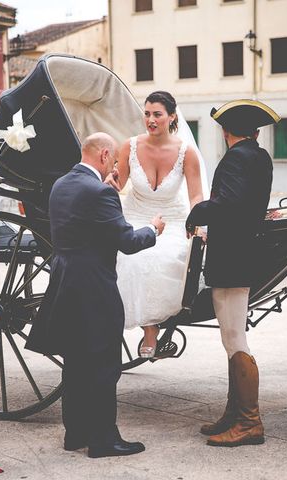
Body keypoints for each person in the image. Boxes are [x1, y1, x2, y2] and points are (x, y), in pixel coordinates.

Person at [25, 132, 165, 458]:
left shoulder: (61, 185)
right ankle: (104, 439)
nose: (114, 168)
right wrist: (153, 229)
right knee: (104, 365)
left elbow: (82, 225)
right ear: (104, 155)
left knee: (74, 363)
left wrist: (108, 193)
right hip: (94, 288)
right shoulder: (100, 192)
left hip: (64, 283)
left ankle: (75, 433)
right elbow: (127, 241)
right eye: (113, 161)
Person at [185, 100, 278, 447]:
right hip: (239, 253)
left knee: (235, 337)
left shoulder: (239, 157)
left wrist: (197, 213)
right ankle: (234, 414)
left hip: (233, 256)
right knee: (230, 337)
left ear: (226, 131)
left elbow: (229, 204)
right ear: (254, 132)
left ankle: (250, 422)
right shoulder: (258, 155)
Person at [105, 91, 205, 358]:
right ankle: (148, 328)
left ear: (171, 116)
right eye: (147, 113)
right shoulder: (130, 146)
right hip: (135, 216)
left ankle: (153, 329)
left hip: (173, 221)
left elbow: (196, 195)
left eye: (157, 114)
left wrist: (198, 224)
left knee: (165, 257)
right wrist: (110, 182)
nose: (150, 119)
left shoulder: (187, 152)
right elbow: (120, 184)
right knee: (129, 258)